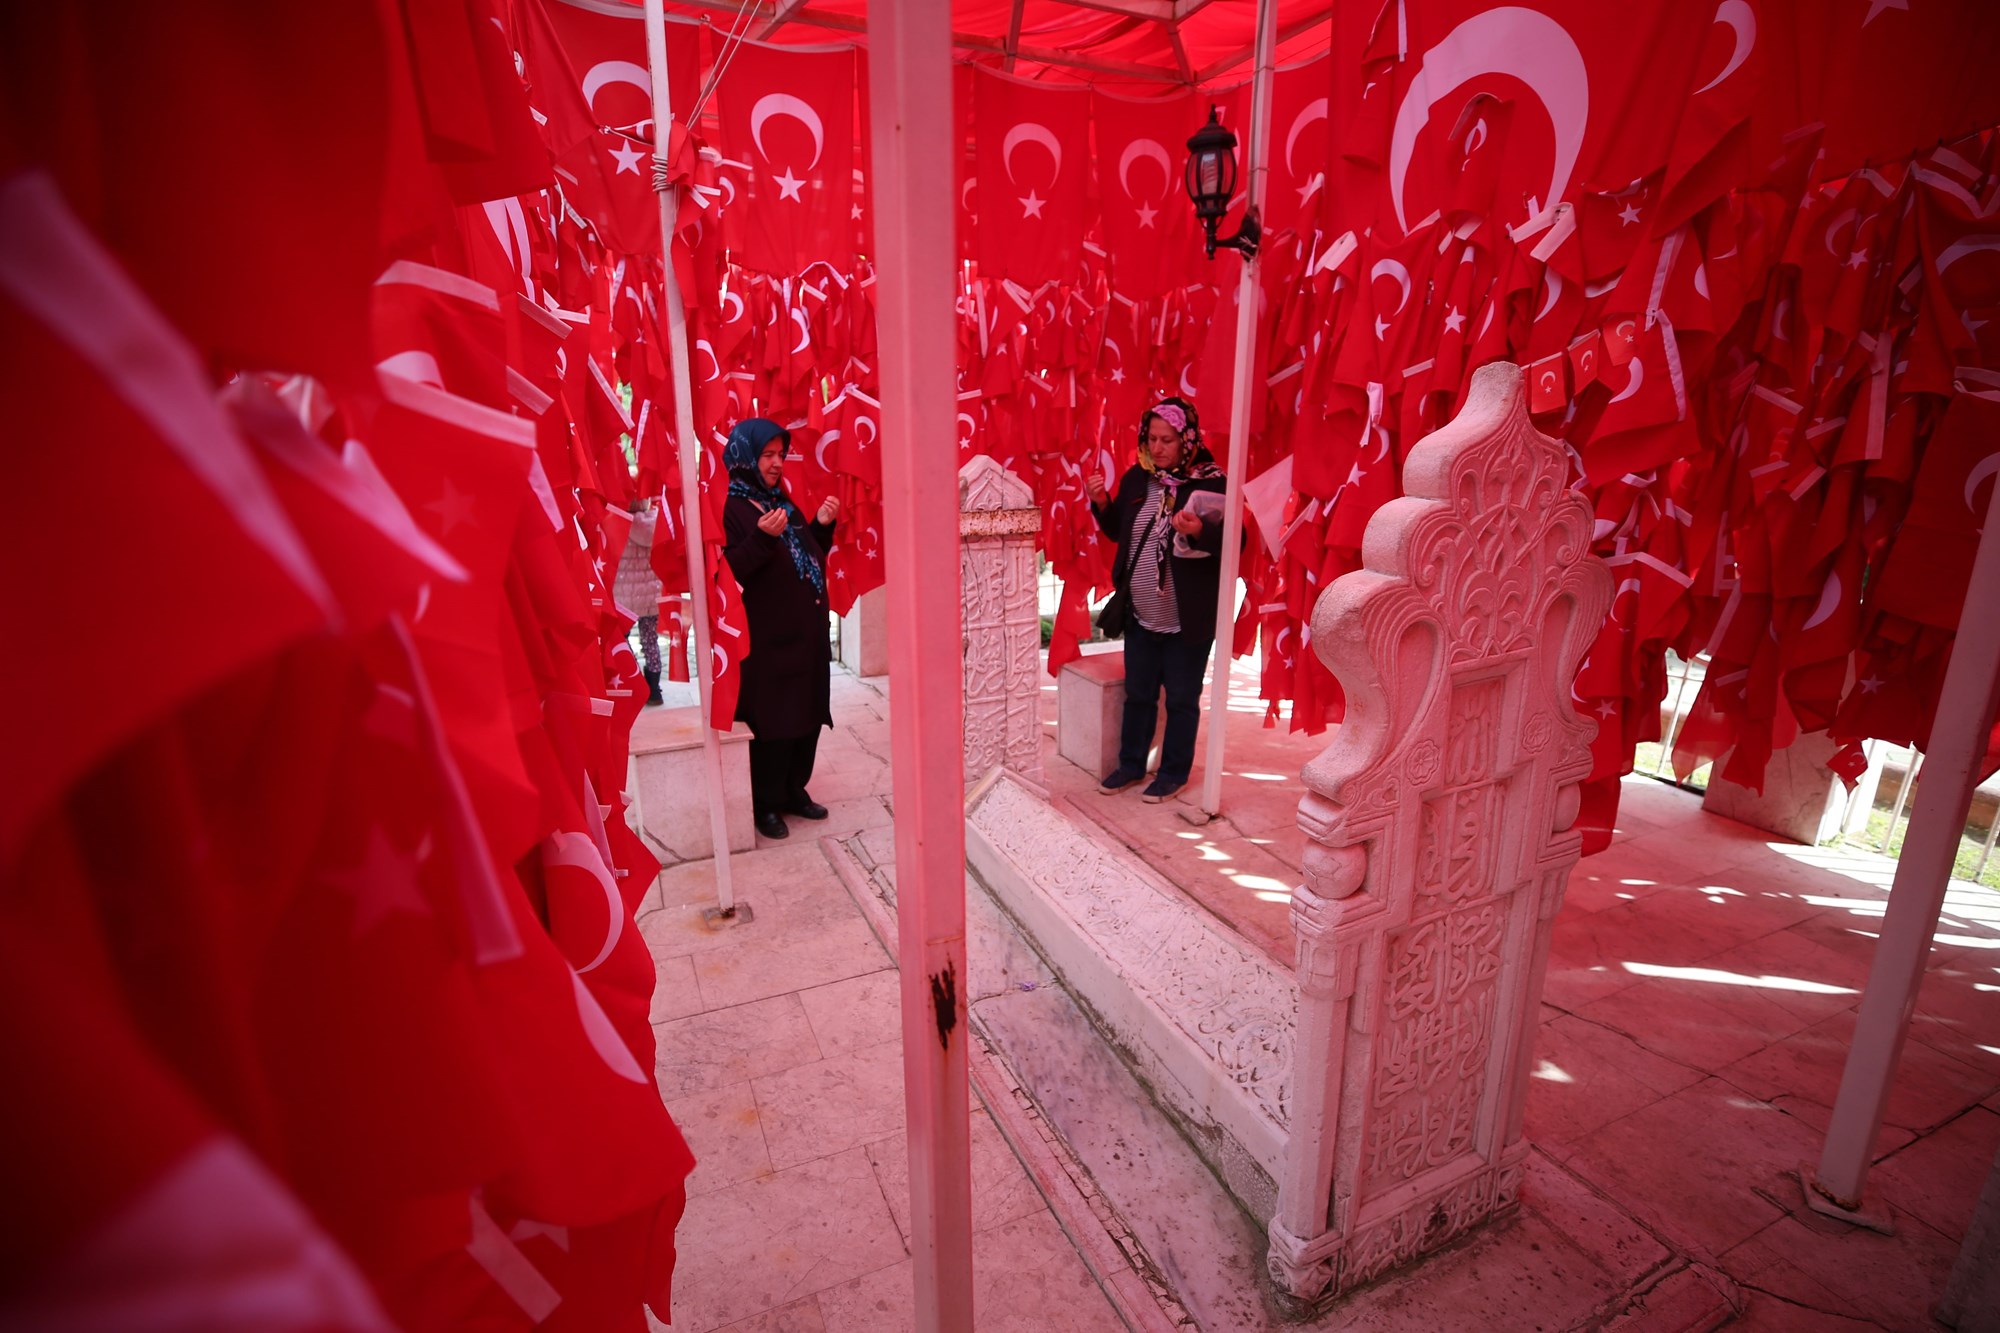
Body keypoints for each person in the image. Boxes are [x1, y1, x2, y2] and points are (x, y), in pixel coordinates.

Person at [1086, 396, 1226, 803]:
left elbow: (1236, 544)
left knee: (1181, 700)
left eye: (1167, 440)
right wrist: (1102, 503)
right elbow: (1119, 531)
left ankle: (1172, 773)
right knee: (1139, 695)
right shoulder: (1138, 478)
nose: (1158, 448)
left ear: (1187, 440)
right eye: (1152, 439)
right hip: (1141, 614)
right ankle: (1130, 765)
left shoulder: (1211, 483)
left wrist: (1199, 531)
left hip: (1187, 620)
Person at [721, 417, 840, 840]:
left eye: (780, 455)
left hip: (806, 636)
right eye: (767, 455)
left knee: (807, 714)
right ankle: (766, 803)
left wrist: (820, 526)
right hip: (768, 641)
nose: (776, 463)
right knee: (774, 721)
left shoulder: (781, 502)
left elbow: (808, 556)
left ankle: (794, 790)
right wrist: (761, 539)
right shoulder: (731, 508)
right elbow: (727, 574)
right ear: (745, 456)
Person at [611, 498, 665, 705]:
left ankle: (635, 683)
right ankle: (654, 690)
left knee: (623, 640)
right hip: (651, 595)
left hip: (623, 596)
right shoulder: (655, 522)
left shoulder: (616, 521)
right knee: (650, 641)